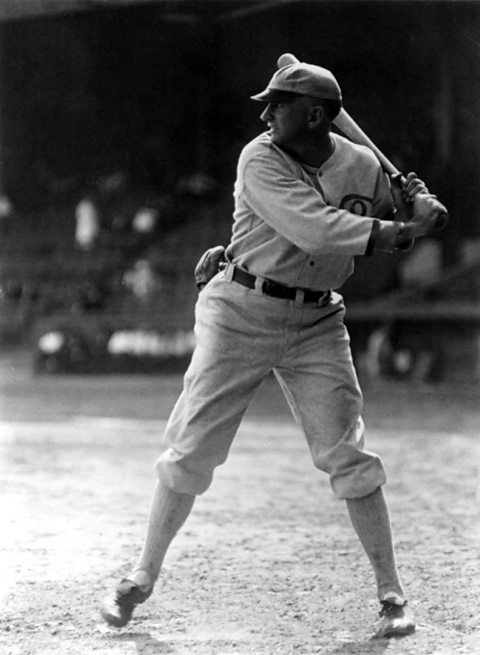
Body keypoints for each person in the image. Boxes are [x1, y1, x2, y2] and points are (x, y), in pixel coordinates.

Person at [100, 55, 446, 639]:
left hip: (317, 322)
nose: (265, 114)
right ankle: (140, 576)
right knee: (192, 450)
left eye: (277, 105)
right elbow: (315, 227)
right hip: (240, 312)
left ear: (314, 116)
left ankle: (392, 595)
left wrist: (412, 211)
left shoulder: (362, 166)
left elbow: (385, 230)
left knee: (350, 457)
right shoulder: (258, 157)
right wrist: (403, 229)